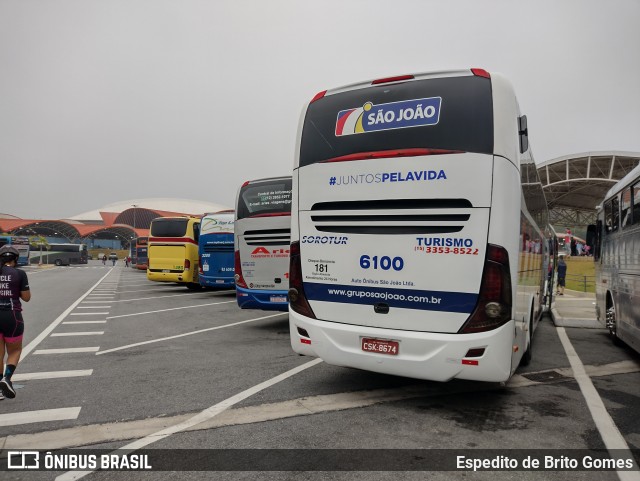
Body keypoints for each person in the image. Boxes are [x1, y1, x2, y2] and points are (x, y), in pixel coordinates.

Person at [0, 245, 31, 400]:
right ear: (16, 259)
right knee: (14, 351)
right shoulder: (19, 273)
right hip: (12, 316)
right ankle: (7, 378)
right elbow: (26, 297)